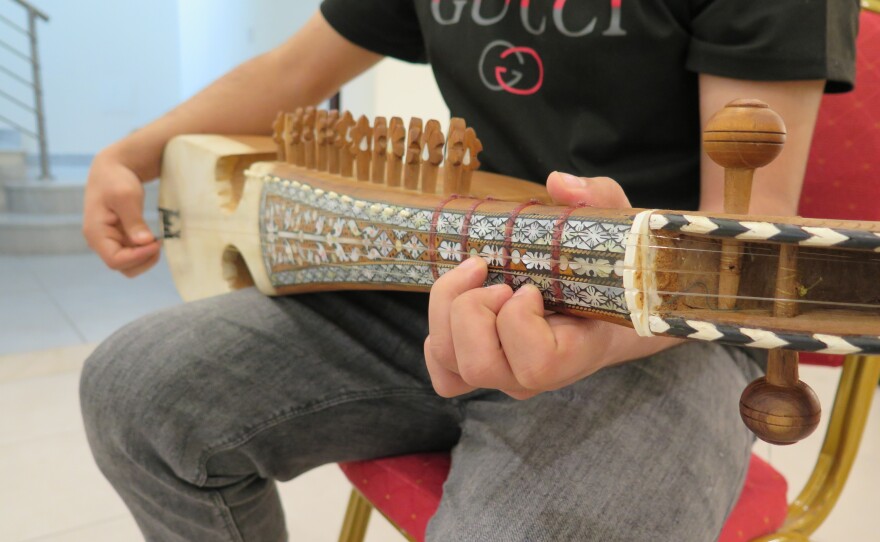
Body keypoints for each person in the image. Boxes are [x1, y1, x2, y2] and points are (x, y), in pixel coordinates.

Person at [79, 1, 858, 540]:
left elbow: (748, 232)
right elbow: (288, 74)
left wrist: (599, 337)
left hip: (660, 325)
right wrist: (128, 156)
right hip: (437, 277)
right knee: (136, 389)